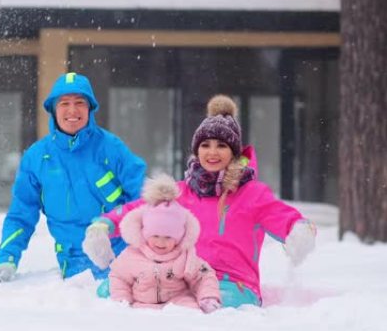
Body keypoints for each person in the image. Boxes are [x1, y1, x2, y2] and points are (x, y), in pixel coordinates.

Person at [83, 95, 316, 307]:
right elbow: (140, 208)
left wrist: (299, 229)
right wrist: (104, 224)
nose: (212, 152)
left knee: (203, 309)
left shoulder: (252, 194)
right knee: (110, 292)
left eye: (221, 145)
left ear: (234, 153)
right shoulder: (183, 192)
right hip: (184, 280)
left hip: (233, 285)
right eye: (205, 145)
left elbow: (282, 216)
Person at [0, 72, 146, 283]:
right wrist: (7, 259)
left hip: (123, 256)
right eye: (64, 103)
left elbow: (142, 198)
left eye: (80, 102)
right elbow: (21, 214)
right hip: (73, 264)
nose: (72, 110)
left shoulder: (110, 147)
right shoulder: (37, 157)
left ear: (90, 108)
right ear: (53, 109)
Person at [109, 174, 221, 313]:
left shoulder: (185, 257)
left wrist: (208, 297)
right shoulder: (132, 256)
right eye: (155, 235)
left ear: (179, 237)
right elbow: (119, 277)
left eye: (168, 237)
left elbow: (204, 277)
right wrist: (122, 299)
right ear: (144, 232)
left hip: (179, 304)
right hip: (142, 305)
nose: (161, 242)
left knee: (189, 313)